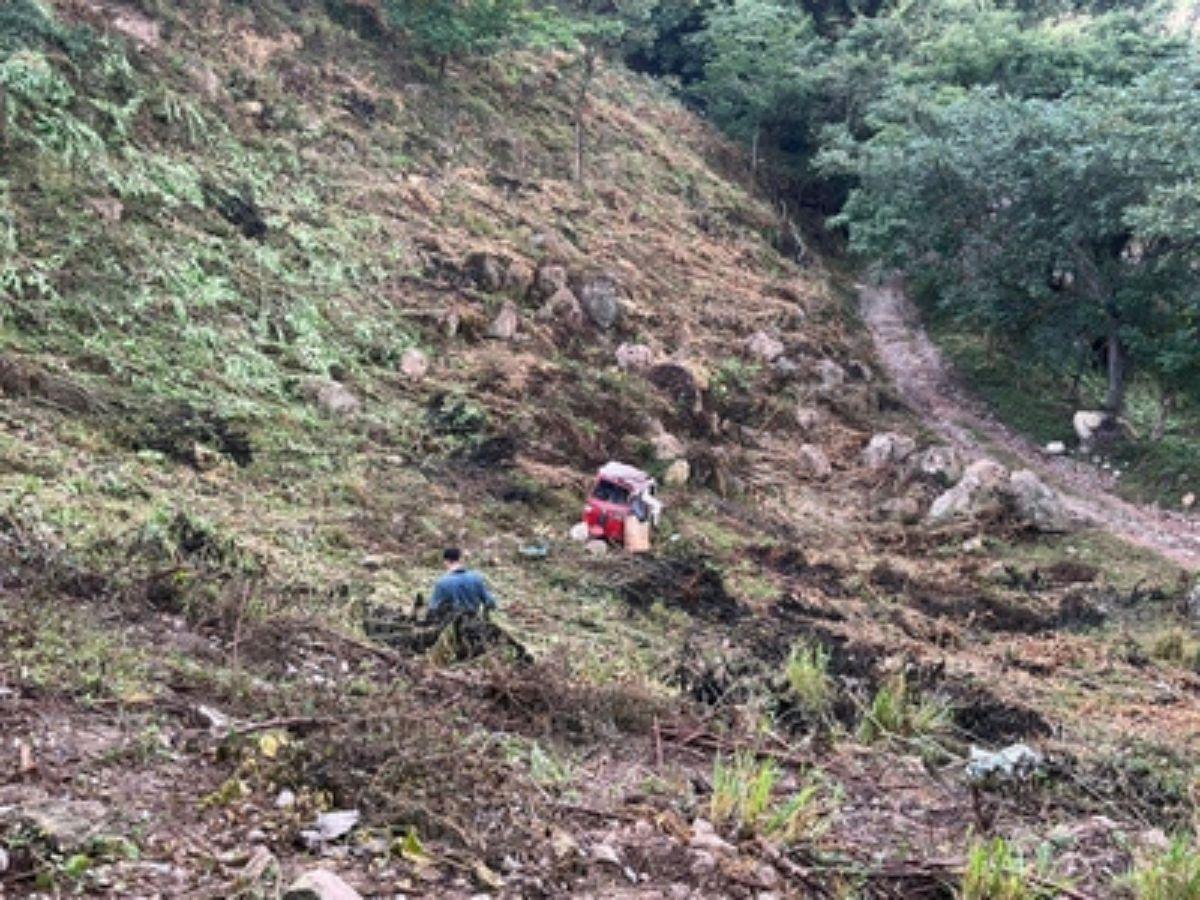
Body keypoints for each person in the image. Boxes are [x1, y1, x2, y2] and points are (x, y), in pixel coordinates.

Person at [428, 547, 497, 622]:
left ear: (446, 561)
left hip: (452, 627)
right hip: (474, 625)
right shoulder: (476, 578)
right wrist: (485, 615)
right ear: (459, 560)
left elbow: (433, 609)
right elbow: (491, 602)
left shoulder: (442, 583)